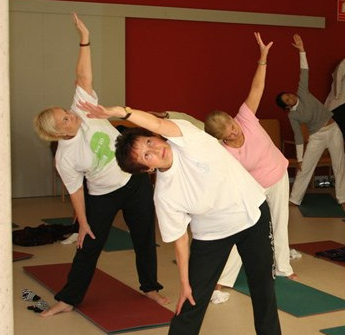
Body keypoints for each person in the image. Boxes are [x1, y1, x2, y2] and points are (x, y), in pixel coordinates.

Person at [77, 75, 281, 335]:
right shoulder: (165, 194)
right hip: (213, 234)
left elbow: (158, 123)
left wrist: (122, 112)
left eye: (150, 143)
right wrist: (185, 282)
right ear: (147, 168)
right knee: (191, 300)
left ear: (158, 138)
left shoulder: (188, 137)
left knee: (263, 288)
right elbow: (181, 239)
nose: (154, 151)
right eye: (146, 156)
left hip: (253, 215)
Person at [32, 13, 168, 317]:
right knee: (88, 245)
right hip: (102, 195)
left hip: (133, 183)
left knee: (144, 235)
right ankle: (68, 299)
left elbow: (82, 78)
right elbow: (76, 189)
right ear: (57, 133)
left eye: (65, 111)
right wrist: (83, 222)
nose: (71, 115)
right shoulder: (65, 157)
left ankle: (151, 288)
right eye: (65, 119)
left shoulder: (82, 107)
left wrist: (85, 39)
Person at [204, 33, 297, 290]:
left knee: (280, 222)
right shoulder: (222, 152)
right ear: (220, 138)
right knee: (240, 227)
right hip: (253, 188)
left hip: (277, 176)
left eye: (232, 126)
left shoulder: (245, 117)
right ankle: (224, 280)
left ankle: (283, 267)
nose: (235, 132)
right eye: (228, 134)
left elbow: (257, 87)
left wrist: (263, 58)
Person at [275, 34, 345, 208]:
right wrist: (299, 159)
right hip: (316, 136)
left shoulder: (302, 92)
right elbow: (298, 138)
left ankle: (343, 198)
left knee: (339, 164)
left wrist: (302, 50)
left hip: (333, 130)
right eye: (287, 100)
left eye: (289, 95)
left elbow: (304, 71)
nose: (291, 98)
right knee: (305, 168)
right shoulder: (292, 116)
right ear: (286, 107)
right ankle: (294, 199)